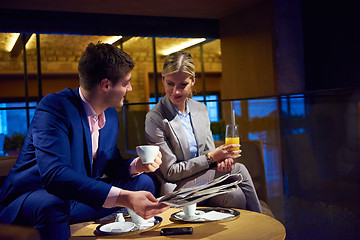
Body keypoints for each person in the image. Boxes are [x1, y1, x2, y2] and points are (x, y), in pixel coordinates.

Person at [0, 42, 169, 240]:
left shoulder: (110, 116)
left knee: (143, 183)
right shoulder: (55, 107)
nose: (130, 88)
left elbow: (111, 163)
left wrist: (137, 165)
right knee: (52, 204)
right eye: (126, 83)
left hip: (75, 198)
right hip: (35, 197)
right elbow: (55, 175)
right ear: (105, 85)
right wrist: (125, 197)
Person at [145, 51, 262, 213]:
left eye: (182, 85)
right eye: (170, 84)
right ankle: (260, 223)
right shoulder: (155, 118)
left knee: (237, 196)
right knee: (239, 169)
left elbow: (208, 153)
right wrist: (211, 158)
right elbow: (170, 172)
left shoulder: (201, 109)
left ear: (193, 81)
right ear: (163, 80)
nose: (175, 91)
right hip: (177, 189)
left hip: (204, 181)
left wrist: (219, 161)